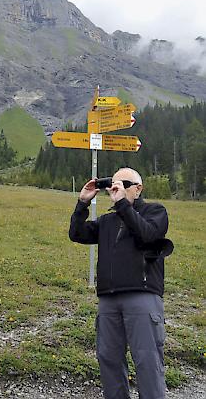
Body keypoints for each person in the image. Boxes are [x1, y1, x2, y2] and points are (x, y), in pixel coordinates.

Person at [69, 167, 173, 399]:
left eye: (124, 184)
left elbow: (147, 234)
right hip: (108, 298)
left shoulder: (154, 211)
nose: (117, 188)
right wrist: (82, 203)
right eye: (113, 184)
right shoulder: (107, 220)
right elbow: (77, 234)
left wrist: (123, 205)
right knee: (109, 359)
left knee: (147, 360)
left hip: (142, 295)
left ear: (138, 189)